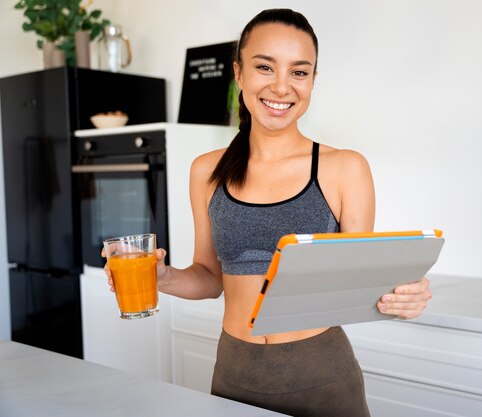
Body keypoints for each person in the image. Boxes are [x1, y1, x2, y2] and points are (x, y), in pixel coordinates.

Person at [104, 8, 431, 417]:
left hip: (322, 375)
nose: (282, 86)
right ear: (239, 74)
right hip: (234, 372)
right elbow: (209, 277)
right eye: (264, 67)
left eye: (299, 72)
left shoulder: (345, 168)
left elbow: (356, 284)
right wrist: (163, 276)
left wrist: (404, 293)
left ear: (312, 81)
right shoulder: (207, 170)